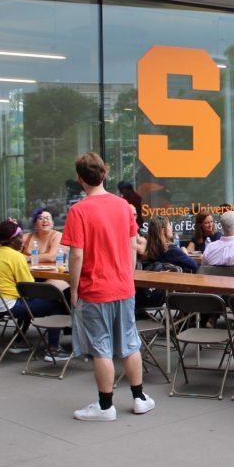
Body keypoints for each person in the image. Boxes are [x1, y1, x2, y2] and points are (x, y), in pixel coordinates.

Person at [63, 153, 154, 421]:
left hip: (95, 288)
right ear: (105, 174)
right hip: (123, 286)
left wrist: (74, 288)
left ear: (80, 179)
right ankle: (139, 398)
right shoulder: (124, 207)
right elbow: (132, 247)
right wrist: (127, 276)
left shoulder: (78, 211)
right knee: (129, 343)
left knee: (101, 348)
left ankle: (105, 406)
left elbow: (76, 255)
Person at [0, 220, 65, 356]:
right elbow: (28, 288)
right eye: (20, 237)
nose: (23, 240)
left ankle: (19, 340)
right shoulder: (17, 257)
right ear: (13, 240)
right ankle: (53, 349)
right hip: (5, 306)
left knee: (26, 302)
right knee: (55, 305)